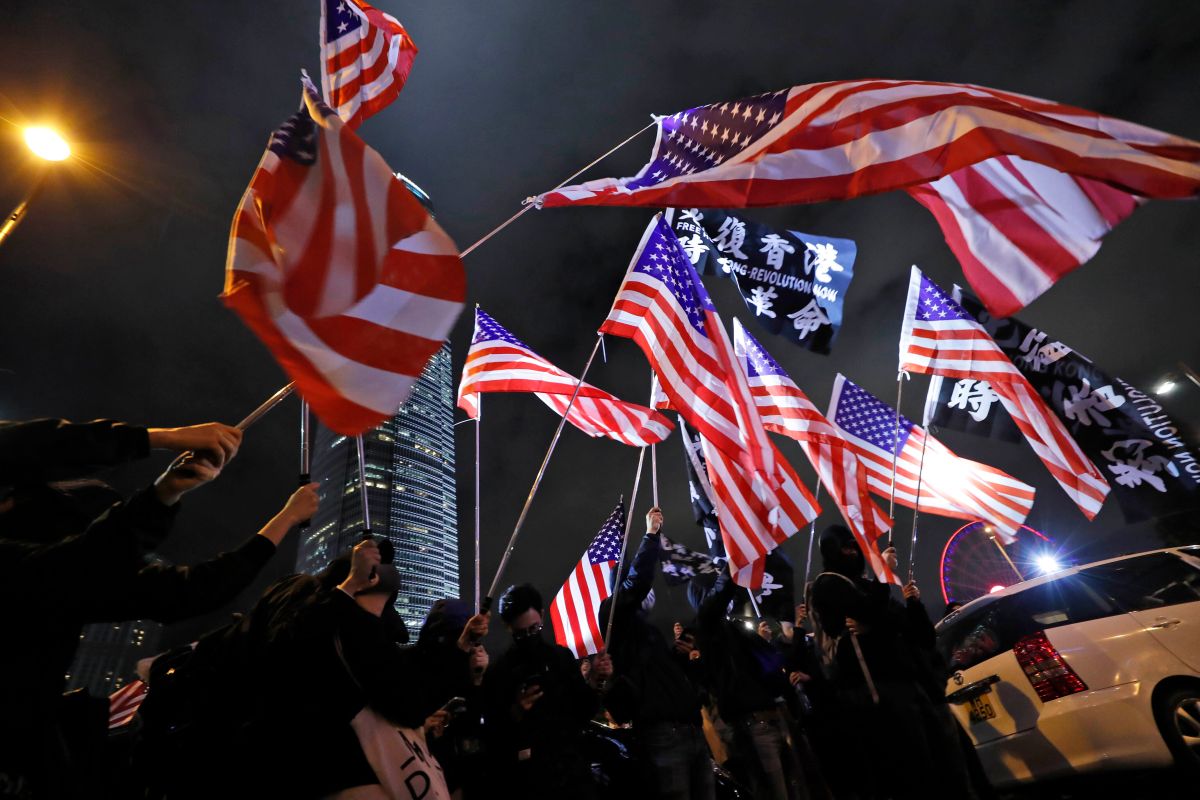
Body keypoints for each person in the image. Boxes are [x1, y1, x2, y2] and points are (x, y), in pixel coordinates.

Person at [0, 416, 259, 798]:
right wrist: (162, 448)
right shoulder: (41, 570)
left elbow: (183, 591)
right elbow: (85, 561)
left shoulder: (74, 581)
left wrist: (166, 483)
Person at [807, 524, 952, 799]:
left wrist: (913, 604)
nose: (851, 552)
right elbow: (869, 610)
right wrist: (883, 576)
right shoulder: (829, 584)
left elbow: (920, 635)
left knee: (940, 766)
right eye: (844, 548)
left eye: (853, 546)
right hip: (879, 694)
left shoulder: (867, 586)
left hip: (917, 688)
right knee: (911, 773)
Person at [598, 507, 714, 800]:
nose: (651, 593)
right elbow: (636, 585)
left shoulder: (647, 632)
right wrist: (650, 535)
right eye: (645, 589)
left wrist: (680, 657)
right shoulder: (614, 616)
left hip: (692, 732)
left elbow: (663, 677)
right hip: (663, 738)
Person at [691, 565, 812, 800]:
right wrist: (734, 561)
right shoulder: (707, 628)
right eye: (714, 585)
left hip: (778, 719)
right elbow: (718, 598)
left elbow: (771, 664)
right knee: (775, 791)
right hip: (755, 728)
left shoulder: (732, 628)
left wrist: (767, 642)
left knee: (799, 788)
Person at [483, 582, 612, 799]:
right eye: (521, 633)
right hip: (528, 780)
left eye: (534, 629)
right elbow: (492, 737)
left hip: (571, 774)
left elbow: (583, 712)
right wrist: (516, 712)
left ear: (542, 616)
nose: (529, 637)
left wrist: (596, 680)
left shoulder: (560, 658)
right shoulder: (500, 672)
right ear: (509, 627)